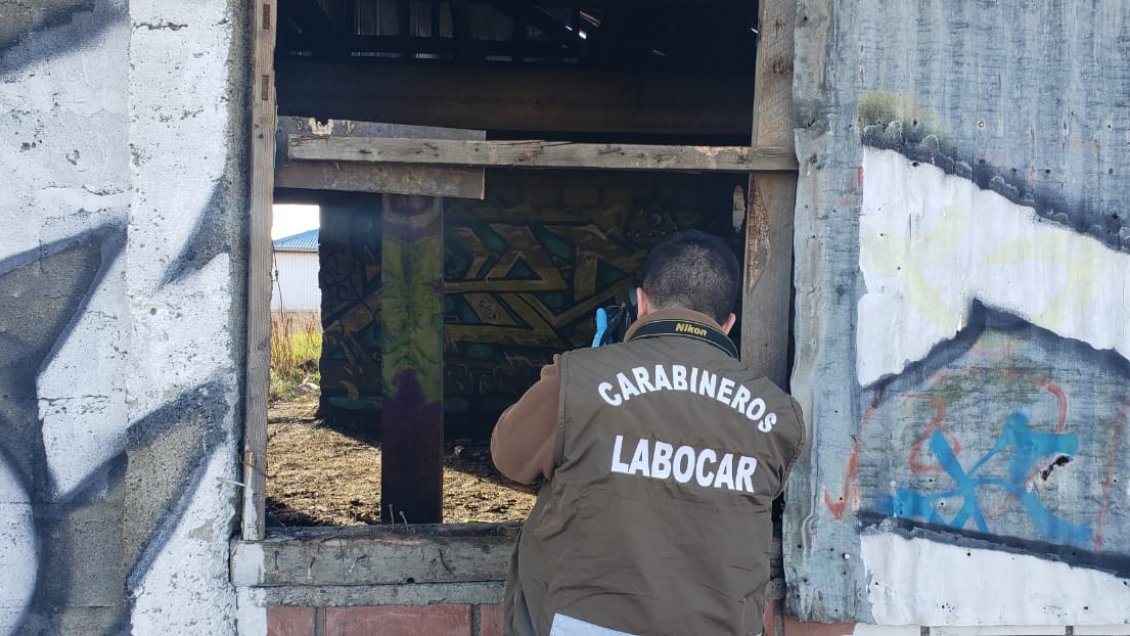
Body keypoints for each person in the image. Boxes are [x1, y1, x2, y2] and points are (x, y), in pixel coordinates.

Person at [491, 230, 806, 636]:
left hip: (579, 624)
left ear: (640, 302)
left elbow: (508, 457)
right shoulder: (778, 414)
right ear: (728, 324)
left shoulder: (580, 377)